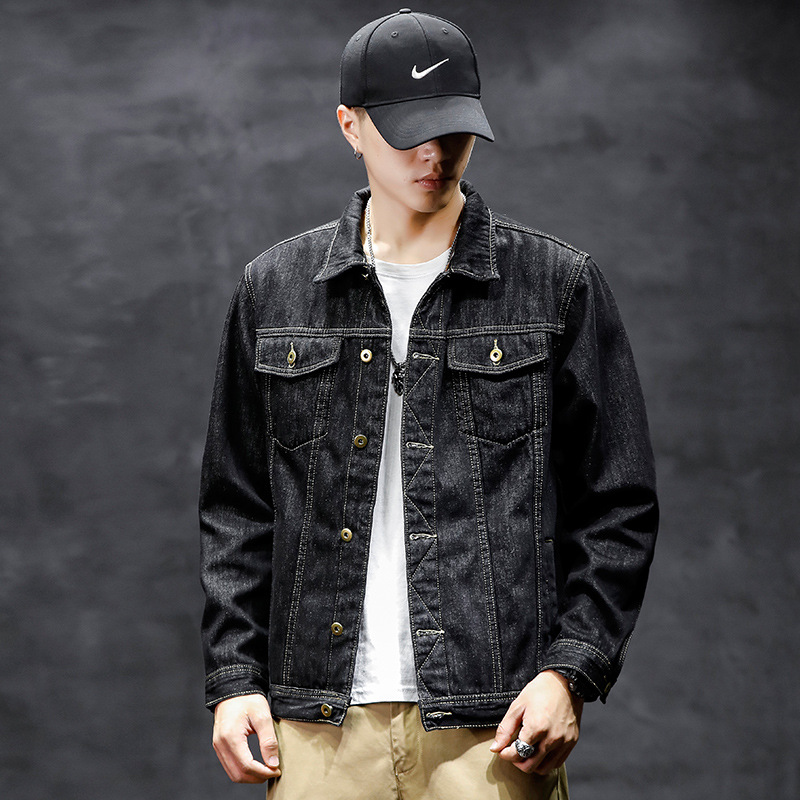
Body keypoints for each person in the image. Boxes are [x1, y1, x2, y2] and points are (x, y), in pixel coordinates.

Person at [199, 9, 658, 799]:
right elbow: (236, 506)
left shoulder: (557, 287)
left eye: (453, 129)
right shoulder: (273, 292)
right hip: (317, 727)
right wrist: (234, 677)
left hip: (494, 726)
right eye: (409, 131)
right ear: (350, 125)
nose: (434, 153)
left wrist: (570, 671)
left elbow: (617, 505)